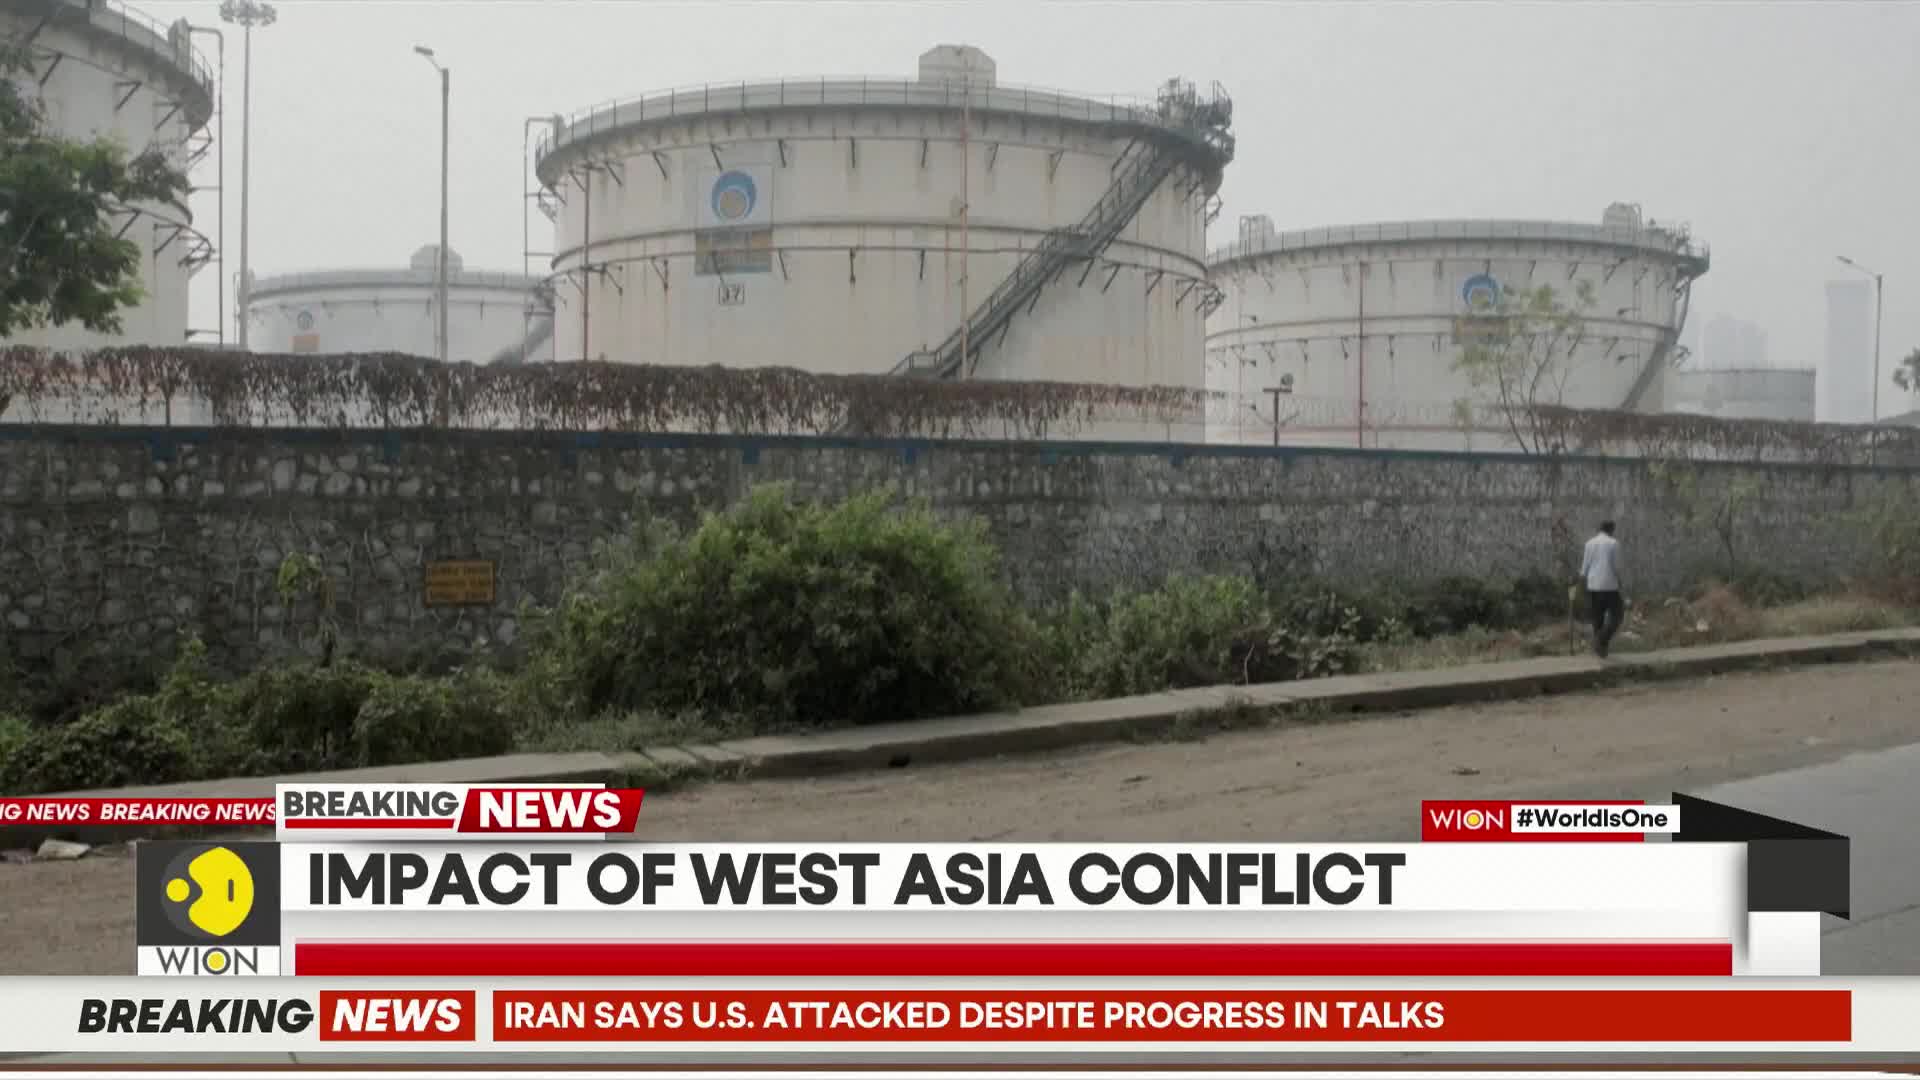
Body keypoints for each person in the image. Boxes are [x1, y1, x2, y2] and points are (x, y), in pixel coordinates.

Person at [1580, 520, 1625, 658]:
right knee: (1617, 615)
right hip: (1609, 585)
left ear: (1599, 529)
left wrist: (1582, 582)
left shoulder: (1589, 544)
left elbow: (1584, 568)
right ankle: (1601, 640)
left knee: (1597, 617)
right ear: (1611, 530)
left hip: (1593, 585)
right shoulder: (1613, 543)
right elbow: (1617, 567)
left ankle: (1601, 649)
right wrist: (1621, 581)